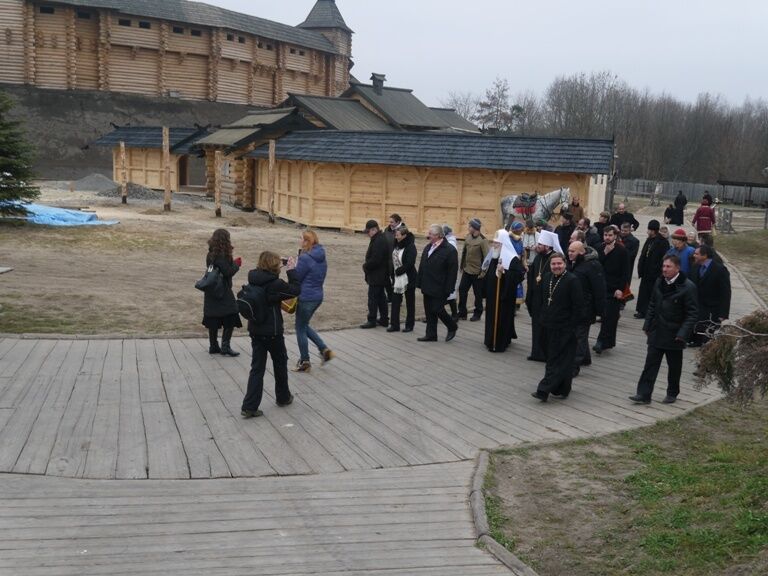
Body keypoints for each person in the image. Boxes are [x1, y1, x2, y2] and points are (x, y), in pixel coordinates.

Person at [630, 254, 698, 405]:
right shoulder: (659, 282)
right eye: (663, 266)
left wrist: (682, 334)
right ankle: (643, 394)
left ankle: (672, 393)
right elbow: (652, 304)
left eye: (668, 267)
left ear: (677, 268)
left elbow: (692, 314)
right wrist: (647, 325)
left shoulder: (688, 287)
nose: (665, 269)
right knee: (650, 364)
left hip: (675, 334)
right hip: (657, 330)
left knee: (674, 366)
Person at [241, 251, 301, 418]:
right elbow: (296, 289)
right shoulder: (275, 284)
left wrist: (279, 263)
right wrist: (291, 269)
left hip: (255, 330)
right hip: (272, 332)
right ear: (274, 266)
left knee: (257, 368)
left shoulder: (253, 278)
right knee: (280, 363)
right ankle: (283, 397)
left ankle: (249, 406)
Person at [531, 252, 585, 402]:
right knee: (558, 359)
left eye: (559, 263)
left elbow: (578, 306)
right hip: (547, 326)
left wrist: (572, 328)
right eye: (553, 264)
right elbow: (542, 300)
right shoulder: (547, 278)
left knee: (556, 360)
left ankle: (543, 389)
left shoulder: (572, 280)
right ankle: (563, 388)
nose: (556, 266)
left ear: (565, 263)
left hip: (564, 328)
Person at [291, 230, 333, 373]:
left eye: (301, 239)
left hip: (305, 297)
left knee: (300, 328)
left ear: (307, 242)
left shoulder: (305, 258)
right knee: (303, 325)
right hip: (317, 296)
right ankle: (324, 350)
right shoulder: (321, 256)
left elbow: (297, 278)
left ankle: (305, 360)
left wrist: (291, 268)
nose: (299, 241)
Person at [483, 229, 526, 352]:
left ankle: (500, 342)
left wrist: (505, 272)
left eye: (497, 243)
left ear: (504, 244)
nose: (494, 246)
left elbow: (519, 275)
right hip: (493, 295)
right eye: (494, 243)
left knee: (502, 317)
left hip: (504, 295)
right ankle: (490, 340)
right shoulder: (494, 255)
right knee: (491, 316)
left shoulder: (512, 258)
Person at [202, 228, 242, 357]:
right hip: (222, 290)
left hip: (211, 289)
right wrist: (236, 264)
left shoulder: (211, 253)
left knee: (213, 317)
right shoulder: (221, 255)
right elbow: (228, 272)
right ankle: (225, 346)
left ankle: (213, 345)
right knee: (231, 314)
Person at [568, 241, 606, 375]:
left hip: (586, 308)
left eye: (573, 251)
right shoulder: (574, 263)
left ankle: (574, 366)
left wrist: (601, 311)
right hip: (575, 307)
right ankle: (585, 358)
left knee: (580, 337)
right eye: (569, 251)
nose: (570, 254)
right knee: (580, 335)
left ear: (582, 252)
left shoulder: (592, 266)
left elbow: (599, 289)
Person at [416, 224, 459, 342]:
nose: (428, 236)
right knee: (429, 311)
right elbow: (423, 265)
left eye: (431, 234)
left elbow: (452, 272)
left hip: (440, 286)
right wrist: (419, 281)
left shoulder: (450, 250)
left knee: (437, 309)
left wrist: (449, 288)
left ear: (439, 236)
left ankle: (452, 326)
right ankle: (431, 334)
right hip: (427, 284)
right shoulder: (428, 247)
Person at [525, 230, 561, 361]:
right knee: (536, 326)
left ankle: (546, 354)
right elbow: (532, 275)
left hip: (547, 299)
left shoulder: (554, 260)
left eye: (540, 244)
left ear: (548, 246)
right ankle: (536, 353)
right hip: (536, 298)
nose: (537, 246)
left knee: (546, 327)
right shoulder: (538, 257)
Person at [594, 225, 630, 354]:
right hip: (600, 286)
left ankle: (602, 341)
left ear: (615, 236)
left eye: (610, 235)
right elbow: (596, 265)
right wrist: (604, 254)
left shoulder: (622, 250)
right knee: (602, 314)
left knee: (610, 317)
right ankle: (604, 341)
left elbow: (625, 272)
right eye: (605, 235)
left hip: (614, 288)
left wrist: (621, 288)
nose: (607, 237)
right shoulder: (599, 248)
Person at [690, 244, 731, 346]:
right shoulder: (695, 267)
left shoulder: (720, 270)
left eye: (696, 254)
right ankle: (696, 341)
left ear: (705, 256)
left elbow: (725, 293)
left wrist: (723, 314)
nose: (693, 255)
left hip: (713, 308)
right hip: (698, 305)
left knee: (709, 334)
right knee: (698, 327)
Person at [635, 219, 670, 319]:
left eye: (649, 230)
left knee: (652, 294)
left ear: (653, 230)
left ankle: (650, 313)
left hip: (655, 273)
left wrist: (658, 271)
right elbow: (643, 254)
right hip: (646, 272)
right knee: (643, 292)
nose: (647, 231)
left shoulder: (663, 242)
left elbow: (664, 258)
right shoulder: (649, 240)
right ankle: (641, 311)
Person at [360, 219, 390, 329]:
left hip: (377, 275)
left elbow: (376, 260)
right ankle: (383, 319)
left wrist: (366, 266)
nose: (368, 234)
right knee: (381, 297)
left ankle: (371, 320)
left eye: (368, 231)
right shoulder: (378, 238)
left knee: (373, 298)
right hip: (380, 275)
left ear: (374, 229)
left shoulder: (379, 241)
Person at [458, 218, 489, 322]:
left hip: (477, 272)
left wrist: (483, 272)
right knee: (462, 290)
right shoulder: (468, 237)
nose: (468, 228)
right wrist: (462, 266)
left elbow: (487, 258)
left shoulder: (483, 241)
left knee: (478, 294)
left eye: (470, 226)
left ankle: (478, 313)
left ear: (475, 228)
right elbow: (464, 252)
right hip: (467, 270)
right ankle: (462, 313)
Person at [389, 225, 417, 332]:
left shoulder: (410, 246)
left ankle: (409, 325)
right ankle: (394, 324)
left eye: (398, 234)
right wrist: (394, 273)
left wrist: (399, 271)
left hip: (408, 277)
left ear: (404, 235)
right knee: (395, 301)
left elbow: (410, 263)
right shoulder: (396, 244)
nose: (396, 236)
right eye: (395, 234)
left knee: (410, 302)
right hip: (397, 278)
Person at [383, 214, 403, 303]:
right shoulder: (387, 230)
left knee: (397, 280)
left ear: (398, 222)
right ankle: (390, 296)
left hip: (397, 259)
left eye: (392, 222)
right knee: (386, 279)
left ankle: (398, 298)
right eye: (389, 222)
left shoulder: (403, 230)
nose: (390, 224)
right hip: (387, 259)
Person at [443, 225, 460, 321]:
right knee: (448, 295)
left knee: (450, 294)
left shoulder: (451, 244)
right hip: (446, 272)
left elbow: (450, 259)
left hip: (450, 272)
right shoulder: (448, 242)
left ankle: (454, 314)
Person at [509, 221, 525, 306]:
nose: (521, 231)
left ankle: (517, 302)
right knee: (513, 284)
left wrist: (524, 263)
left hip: (519, 264)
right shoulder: (509, 239)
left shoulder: (519, 240)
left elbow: (522, 251)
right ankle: (512, 302)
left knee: (519, 283)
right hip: (512, 264)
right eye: (520, 230)